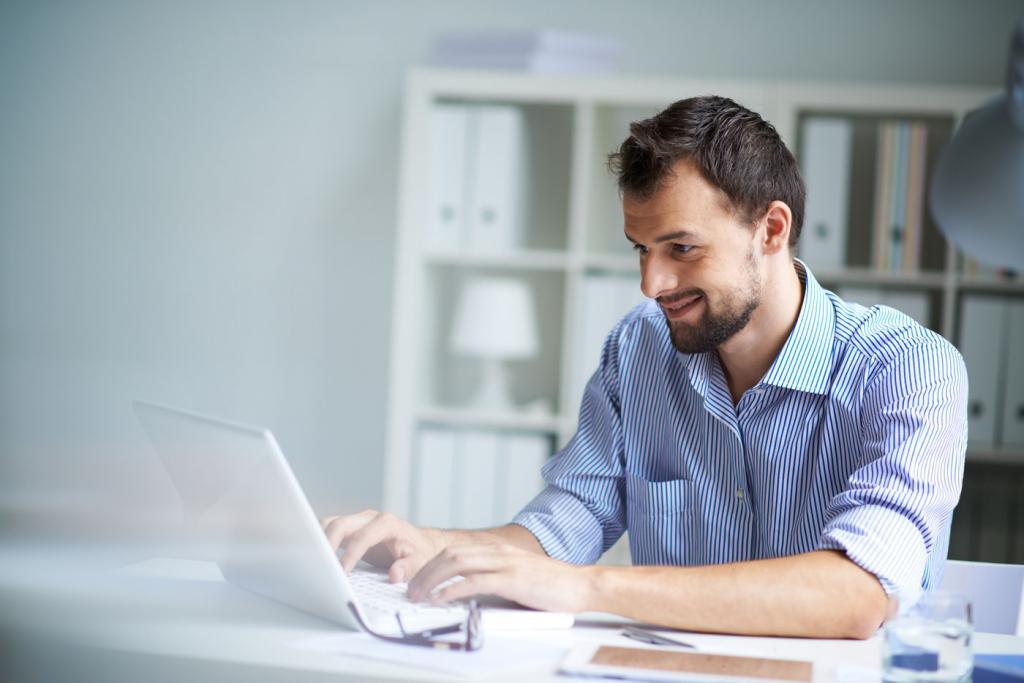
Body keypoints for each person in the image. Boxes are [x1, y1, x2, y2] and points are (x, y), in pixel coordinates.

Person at [321, 96, 967, 639]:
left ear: (771, 230)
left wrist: (588, 587)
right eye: (641, 249)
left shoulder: (909, 368)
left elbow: (859, 593)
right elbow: (565, 524)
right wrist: (428, 543)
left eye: (681, 247)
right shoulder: (639, 349)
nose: (652, 284)